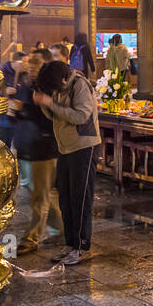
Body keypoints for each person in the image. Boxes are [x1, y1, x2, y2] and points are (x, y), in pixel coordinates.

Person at [33, 59, 100, 265]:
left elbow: (81, 116)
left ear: (62, 78)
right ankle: (70, 244)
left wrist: (50, 103)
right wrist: (43, 102)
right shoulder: (58, 85)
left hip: (84, 147)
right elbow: (54, 116)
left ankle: (82, 247)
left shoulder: (79, 85)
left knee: (80, 199)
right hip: (65, 146)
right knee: (65, 198)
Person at [13, 50, 62, 254]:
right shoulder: (26, 86)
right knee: (41, 194)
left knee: (40, 196)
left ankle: (31, 238)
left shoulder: (49, 89)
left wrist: (24, 108)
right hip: (27, 146)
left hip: (44, 146)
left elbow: (50, 119)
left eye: (37, 64)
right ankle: (62, 230)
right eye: (30, 64)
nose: (32, 68)